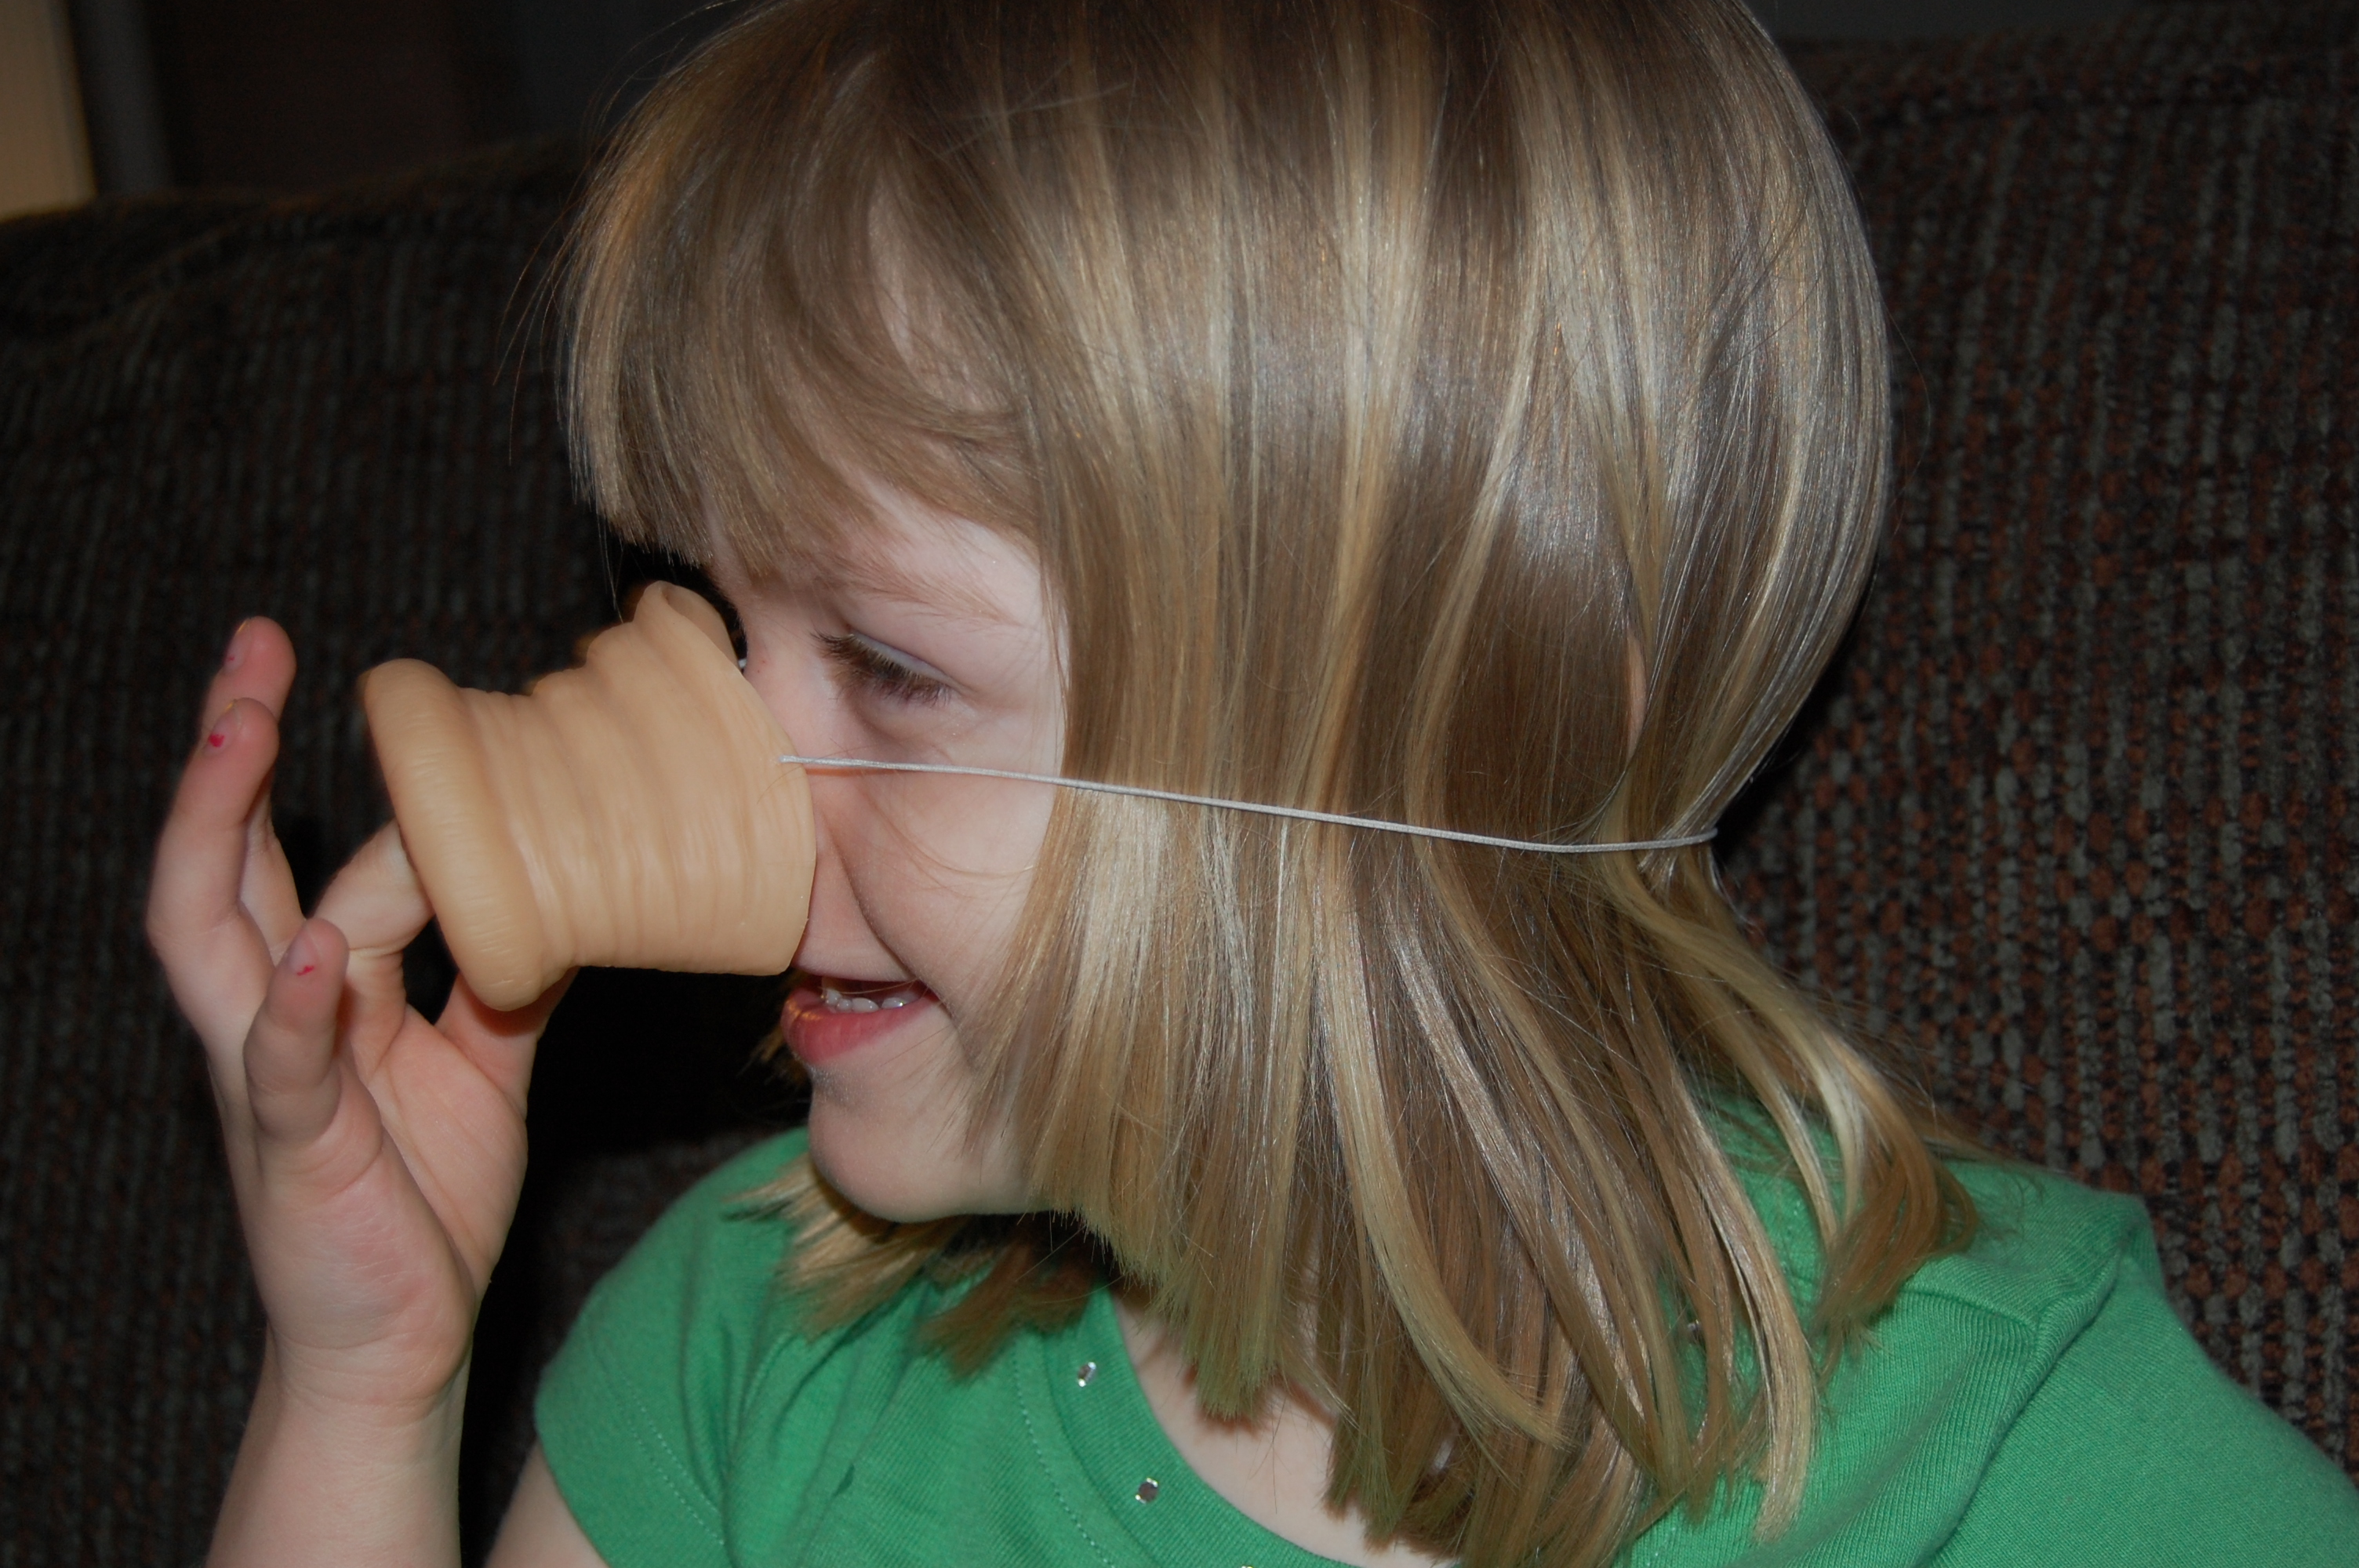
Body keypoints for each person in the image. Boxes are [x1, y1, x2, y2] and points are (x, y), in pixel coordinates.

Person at [145, 1, 2359, 1564]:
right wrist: (367, 1380)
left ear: (1446, 728)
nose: (714, 802)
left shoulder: (1985, 1456)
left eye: (891, 667)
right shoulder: (759, 1351)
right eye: (718, 628)